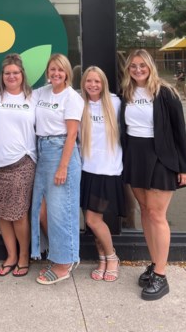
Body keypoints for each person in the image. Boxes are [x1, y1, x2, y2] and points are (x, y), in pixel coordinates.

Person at [119, 49, 186, 300]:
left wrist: (184, 167)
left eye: (142, 65)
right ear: (128, 69)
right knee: (145, 211)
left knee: (157, 214)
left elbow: (179, 131)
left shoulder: (166, 93)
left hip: (161, 157)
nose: (138, 70)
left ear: (150, 66)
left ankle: (161, 275)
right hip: (135, 156)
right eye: (133, 66)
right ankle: (154, 263)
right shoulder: (125, 93)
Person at [0, 54, 38, 278]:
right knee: (2, 212)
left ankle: (24, 256)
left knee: (18, 212)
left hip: (22, 161)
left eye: (15, 72)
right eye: (7, 73)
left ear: (22, 74)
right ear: (1, 76)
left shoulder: (34, 97)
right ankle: (11, 256)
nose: (12, 76)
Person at [31, 53, 85, 285]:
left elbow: (72, 133)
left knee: (61, 210)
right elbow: (17, 97)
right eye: (52, 69)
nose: (56, 73)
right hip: (41, 150)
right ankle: (63, 252)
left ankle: (64, 262)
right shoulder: (41, 92)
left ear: (67, 73)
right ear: (47, 71)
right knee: (41, 210)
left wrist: (63, 167)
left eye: (60, 70)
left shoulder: (72, 97)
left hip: (61, 150)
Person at [78, 66, 124, 283]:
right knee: (93, 221)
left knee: (93, 219)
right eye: (89, 81)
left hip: (107, 171)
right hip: (86, 169)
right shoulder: (79, 104)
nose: (93, 85)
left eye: (97, 81)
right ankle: (103, 258)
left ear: (103, 83)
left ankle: (112, 257)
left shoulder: (115, 103)